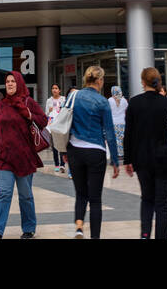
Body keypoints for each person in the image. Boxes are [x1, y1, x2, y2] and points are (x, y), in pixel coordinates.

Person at [0, 71, 47, 240]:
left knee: (25, 196)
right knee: (4, 194)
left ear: (19, 83)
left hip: (24, 157)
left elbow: (43, 121)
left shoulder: (28, 102)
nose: (10, 84)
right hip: (4, 157)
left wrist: (29, 115)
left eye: (13, 81)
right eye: (7, 82)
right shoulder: (2, 105)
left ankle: (29, 228)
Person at [65, 65, 120, 239]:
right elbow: (110, 133)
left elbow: (65, 122)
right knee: (95, 199)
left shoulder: (74, 96)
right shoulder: (103, 102)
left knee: (80, 194)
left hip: (75, 150)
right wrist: (115, 161)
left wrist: (64, 150)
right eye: (102, 79)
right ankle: (95, 236)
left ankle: (79, 227)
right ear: (98, 80)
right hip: (95, 151)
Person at [123, 67, 167, 239]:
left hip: (142, 159)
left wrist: (128, 159)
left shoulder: (134, 103)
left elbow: (128, 134)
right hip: (165, 160)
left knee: (147, 199)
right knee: (163, 205)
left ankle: (145, 235)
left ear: (143, 82)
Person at [44, 84, 69, 174]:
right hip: (52, 125)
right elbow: (46, 113)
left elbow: (66, 110)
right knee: (54, 145)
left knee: (62, 145)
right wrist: (49, 111)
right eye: (53, 88)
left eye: (56, 88)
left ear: (59, 90)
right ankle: (57, 164)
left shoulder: (63, 99)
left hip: (61, 124)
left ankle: (62, 164)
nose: (54, 90)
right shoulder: (49, 100)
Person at [108, 86, 128, 162]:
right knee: (122, 139)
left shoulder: (110, 100)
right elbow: (126, 109)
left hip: (113, 123)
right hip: (122, 122)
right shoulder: (124, 100)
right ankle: (122, 154)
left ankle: (116, 154)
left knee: (115, 139)